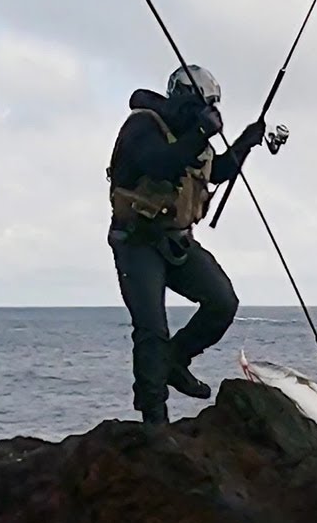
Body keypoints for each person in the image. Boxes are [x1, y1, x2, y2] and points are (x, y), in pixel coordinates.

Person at [105, 64, 266, 424]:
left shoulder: (192, 135)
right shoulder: (142, 126)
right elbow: (160, 164)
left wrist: (246, 141)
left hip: (178, 241)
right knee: (151, 329)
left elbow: (217, 171)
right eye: (202, 104)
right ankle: (154, 417)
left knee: (222, 302)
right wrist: (200, 133)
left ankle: (175, 360)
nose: (206, 112)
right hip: (137, 242)